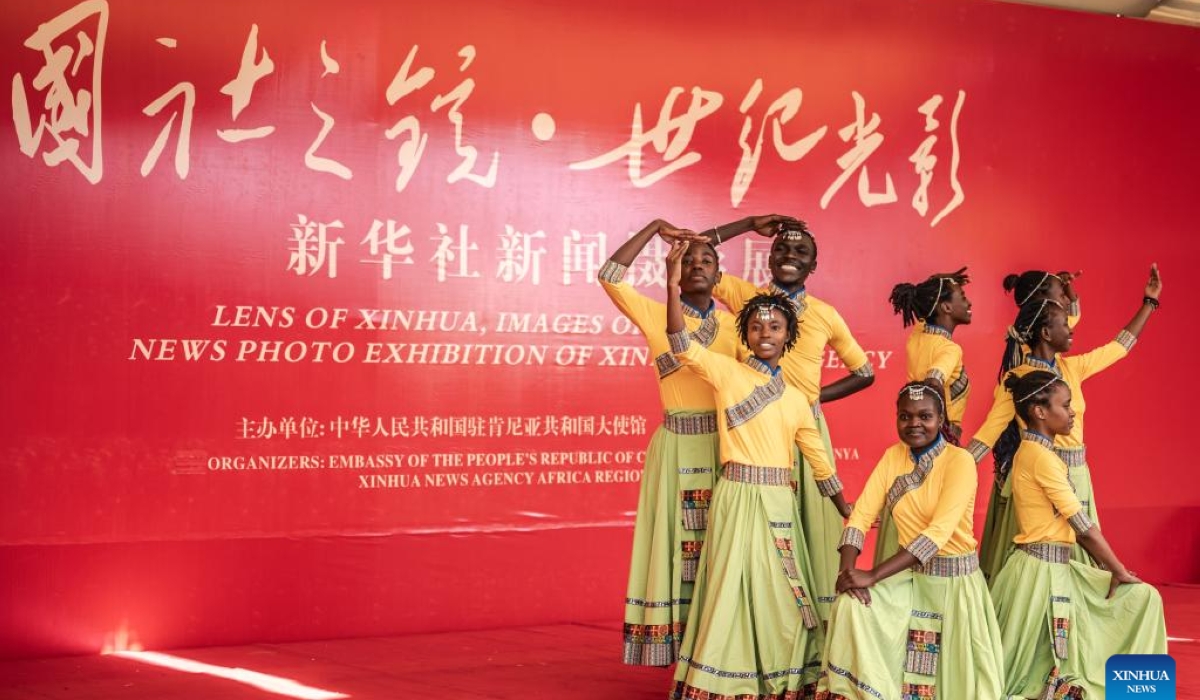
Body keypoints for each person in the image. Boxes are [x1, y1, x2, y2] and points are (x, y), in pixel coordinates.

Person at [664, 236, 852, 700]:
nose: (765, 333)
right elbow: (682, 345)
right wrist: (671, 284)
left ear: (789, 336)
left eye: (775, 327)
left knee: (781, 590)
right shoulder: (727, 372)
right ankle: (724, 678)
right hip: (735, 496)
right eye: (756, 327)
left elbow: (820, 463)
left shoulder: (797, 400)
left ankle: (780, 674)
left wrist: (848, 511)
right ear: (744, 335)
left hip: (779, 501)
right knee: (730, 585)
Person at [706, 216, 875, 620]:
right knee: (760, 532)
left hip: (806, 429)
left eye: (801, 252)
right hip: (756, 436)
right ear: (768, 257)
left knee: (814, 525)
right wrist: (749, 224)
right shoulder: (748, 297)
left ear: (813, 265)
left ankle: (816, 624)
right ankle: (760, 620)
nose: (790, 256)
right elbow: (693, 254)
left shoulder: (826, 314)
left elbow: (865, 372)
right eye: (782, 248)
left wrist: (808, 400)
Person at [598, 220, 741, 666]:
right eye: (687, 260)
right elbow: (609, 275)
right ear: (672, 270)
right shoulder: (654, 315)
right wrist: (654, 227)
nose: (697, 266)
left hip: (725, 447)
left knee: (722, 545)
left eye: (707, 260)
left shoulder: (738, 326)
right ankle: (678, 652)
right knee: (676, 546)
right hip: (675, 447)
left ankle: (718, 650)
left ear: (719, 276)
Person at [967, 264, 1162, 581]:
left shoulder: (1073, 367)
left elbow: (1120, 346)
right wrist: (953, 466)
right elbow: (989, 432)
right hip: (1040, 474)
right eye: (1063, 325)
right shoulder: (1017, 379)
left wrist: (1149, 303)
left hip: (1078, 474)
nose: (1071, 328)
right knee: (1043, 554)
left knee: (1083, 550)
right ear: (1046, 333)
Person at [817, 382, 1003, 700]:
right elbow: (860, 516)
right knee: (850, 605)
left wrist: (873, 575)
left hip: (955, 588)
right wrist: (847, 575)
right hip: (912, 580)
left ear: (940, 418)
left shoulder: (959, 462)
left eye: (924, 416)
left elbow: (937, 534)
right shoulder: (893, 457)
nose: (914, 423)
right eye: (905, 416)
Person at [991, 371, 1166, 699]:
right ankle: (1128, 690)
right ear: (1039, 412)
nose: (1073, 412)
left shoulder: (1038, 453)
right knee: (1143, 597)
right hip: (1037, 576)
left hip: (1054, 569)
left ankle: (1132, 689)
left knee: (1144, 598)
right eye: (1066, 405)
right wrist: (1118, 570)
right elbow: (1083, 529)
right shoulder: (1041, 458)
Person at [874, 269, 972, 566]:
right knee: (938, 517)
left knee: (907, 504)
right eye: (962, 296)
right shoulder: (949, 349)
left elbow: (924, 311)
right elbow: (934, 380)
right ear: (945, 307)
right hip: (938, 440)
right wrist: (941, 426)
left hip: (916, 437)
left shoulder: (917, 336)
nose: (969, 303)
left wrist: (941, 281)